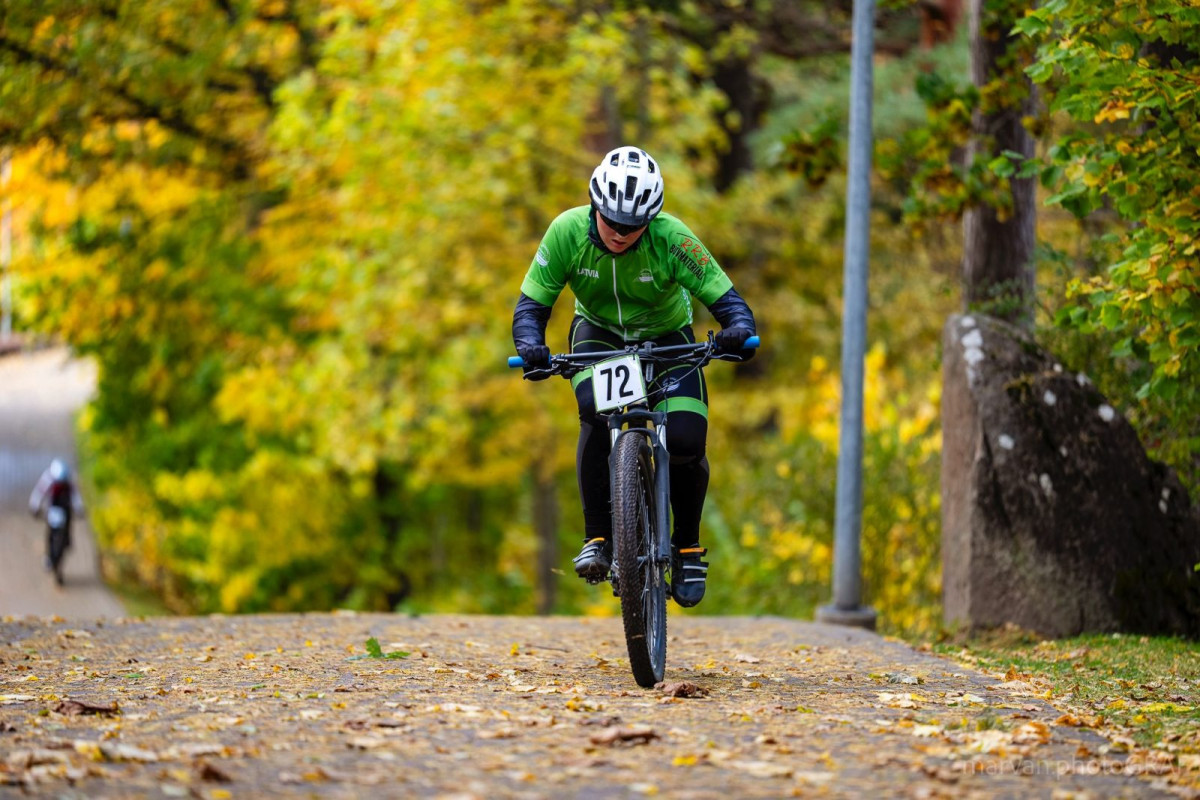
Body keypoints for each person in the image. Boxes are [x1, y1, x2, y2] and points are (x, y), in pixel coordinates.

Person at [511, 146, 757, 608]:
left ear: (652, 218)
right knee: (595, 410)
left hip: (668, 339)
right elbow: (531, 308)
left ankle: (687, 547)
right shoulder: (566, 231)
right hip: (599, 334)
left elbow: (729, 302)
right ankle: (598, 538)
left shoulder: (672, 237)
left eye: (634, 225)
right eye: (612, 221)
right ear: (595, 206)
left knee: (685, 438)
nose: (621, 233)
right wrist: (530, 347)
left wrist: (738, 331)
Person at [29, 458, 84, 574]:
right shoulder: (48, 478)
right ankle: (49, 556)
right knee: (51, 532)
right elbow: (39, 492)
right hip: (53, 509)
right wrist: (35, 506)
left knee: (67, 530)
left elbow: (75, 495)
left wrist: (79, 508)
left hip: (65, 509)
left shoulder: (69, 480)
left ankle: (66, 543)